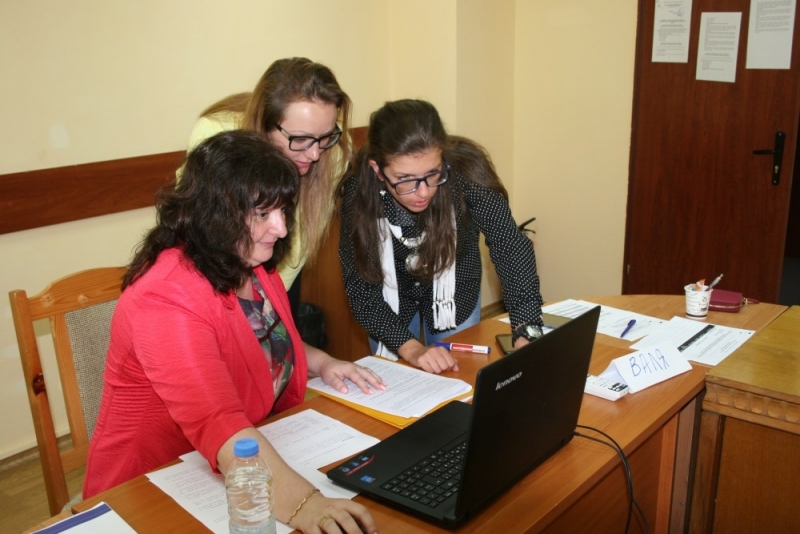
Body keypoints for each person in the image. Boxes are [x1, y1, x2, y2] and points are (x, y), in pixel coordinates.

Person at [85, 131, 382, 534]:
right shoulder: (164, 296)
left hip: (225, 462)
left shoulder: (251, 261)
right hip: (148, 491)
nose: (280, 228)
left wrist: (322, 361)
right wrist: (306, 506)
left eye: (283, 210)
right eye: (262, 214)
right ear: (214, 213)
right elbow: (217, 419)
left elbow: (263, 340)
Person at [339, 99, 544, 374]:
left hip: (454, 289)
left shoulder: (467, 173)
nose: (423, 192)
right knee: (399, 379)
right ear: (377, 170)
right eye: (405, 179)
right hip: (388, 300)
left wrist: (527, 329)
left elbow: (510, 246)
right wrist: (412, 349)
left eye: (433, 173)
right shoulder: (358, 193)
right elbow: (361, 288)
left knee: (461, 375)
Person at [183, 57, 352, 312]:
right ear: (264, 124)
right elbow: (200, 239)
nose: (315, 154)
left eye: (325, 136)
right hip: (214, 280)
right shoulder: (215, 134)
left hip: (277, 272)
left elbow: (296, 249)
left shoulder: (334, 152)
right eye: (301, 139)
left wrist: (270, 310)